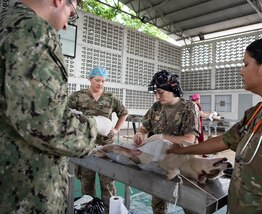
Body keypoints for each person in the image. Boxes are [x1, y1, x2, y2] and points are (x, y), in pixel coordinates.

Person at [168, 36, 262, 213]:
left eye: (246, 64)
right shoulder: (258, 112)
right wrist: (180, 150)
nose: (241, 71)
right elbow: (222, 141)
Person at [0, 0, 112, 213]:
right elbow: (46, 124)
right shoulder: (32, 29)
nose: (67, 25)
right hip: (25, 194)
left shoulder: (6, 22)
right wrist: (94, 126)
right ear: (59, 1)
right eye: (71, 12)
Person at [133, 70, 200, 214]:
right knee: (158, 202)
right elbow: (144, 127)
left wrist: (161, 137)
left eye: (160, 92)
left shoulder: (188, 108)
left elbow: (189, 140)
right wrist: (140, 133)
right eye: (155, 93)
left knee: (189, 203)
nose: (157, 96)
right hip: (160, 161)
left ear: (172, 89)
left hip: (183, 163)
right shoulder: (157, 107)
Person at [67, 66, 128, 210]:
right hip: (86, 146)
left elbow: (124, 113)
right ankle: (90, 210)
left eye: (103, 81)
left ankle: (110, 211)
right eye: (97, 80)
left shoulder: (110, 98)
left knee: (107, 185)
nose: (100, 83)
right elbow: (65, 111)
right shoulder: (78, 96)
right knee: (87, 185)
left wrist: (116, 129)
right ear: (90, 79)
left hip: (105, 148)